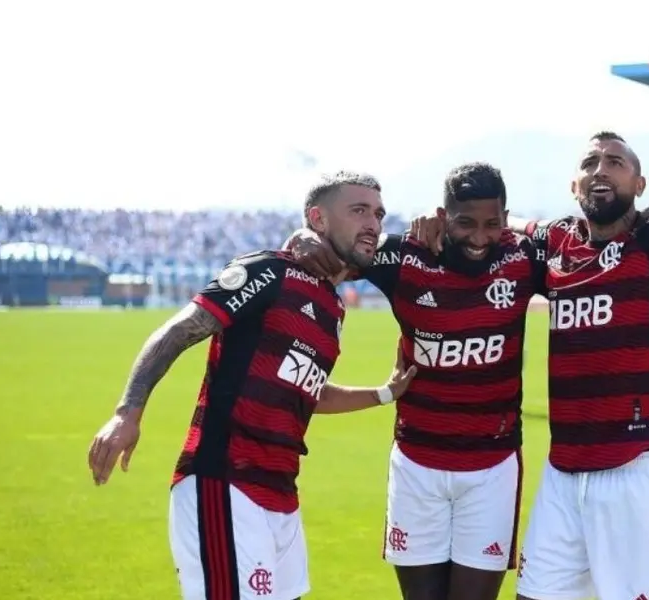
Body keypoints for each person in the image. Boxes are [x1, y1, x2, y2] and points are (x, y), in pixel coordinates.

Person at [409, 44, 649, 600]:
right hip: (564, 469)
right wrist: (429, 229)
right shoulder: (550, 242)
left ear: (640, 183)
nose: (600, 170)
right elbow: (481, 231)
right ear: (574, 187)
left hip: (639, 464)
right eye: (589, 164)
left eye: (615, 162)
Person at [86, 171, 418, 600]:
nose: (373, 223)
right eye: (358, 211)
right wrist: (127, 412)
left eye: (378, 213)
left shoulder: (332, 304)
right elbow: (180, 330)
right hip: (224, 483)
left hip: (280, 495)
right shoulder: (269, 272)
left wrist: (385, 393)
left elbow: (302, 390)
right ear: (317, 218)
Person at [284, 162, 546, 600]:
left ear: (505, 219)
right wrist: (303, 238)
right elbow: (335, 249)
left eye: (492, 224)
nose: (480, 238)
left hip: (492, 469)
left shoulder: (523, 257)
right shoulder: (405, 255)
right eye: (465, 223)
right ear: (444, 216)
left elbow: (579, 241)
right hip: (417, 466)